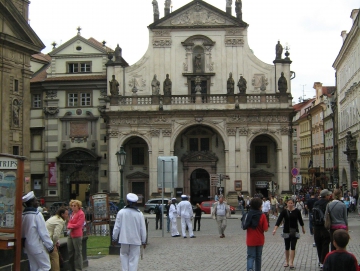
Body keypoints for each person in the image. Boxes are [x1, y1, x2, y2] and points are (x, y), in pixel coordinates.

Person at [112, 193, 147, 271]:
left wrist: (114, 238)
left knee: (124, 256)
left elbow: (116, 227)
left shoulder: (121, 212)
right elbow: (143, 229)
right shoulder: (139, 214)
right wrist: (144, 241)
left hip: (124, 239)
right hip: (136, 240)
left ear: (127, 201)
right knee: (134, 259)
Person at [22, 191, 54, 271]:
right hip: (37, 245)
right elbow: (43, 233)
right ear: (32, 202)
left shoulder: (23, 215)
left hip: (28, 246)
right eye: (36, 200)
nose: (37, 202)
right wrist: (50, 245)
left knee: (34, 267)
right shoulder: (37, 214)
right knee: (46, 267)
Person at [272, 198, 305, 269]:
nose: (290, 204)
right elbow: (279, 220)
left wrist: (303, 228)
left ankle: (291, 262)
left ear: (293, 203)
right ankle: (286, 261)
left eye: (291, 203)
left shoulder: (297, 211)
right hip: (286, 231)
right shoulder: (284, 211)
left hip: (295, 231)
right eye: (289, 203)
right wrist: (275, 229)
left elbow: (300, 220)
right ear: (287, 203)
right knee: (287, 247)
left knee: (293, 246)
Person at [243, 197, 268, 271]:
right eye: (261, 205)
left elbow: (244, 226)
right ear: (259, 206)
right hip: (259, 239)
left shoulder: (248, 215)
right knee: (258, 257)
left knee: (250, 256)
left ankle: (250, 269)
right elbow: (265, 229)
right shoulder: (262, 216)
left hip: (250, 240)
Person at [313, 189, 331, 269]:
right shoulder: (328, 204)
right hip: (324, 227)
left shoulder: (316, 203)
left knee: (319, 245)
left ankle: (320, 260)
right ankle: (323, 261)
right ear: (326, 195)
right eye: (328, 195)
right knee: (325, 244)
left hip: (316, 227)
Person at [67, 199, 85, 271]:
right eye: (72, 206)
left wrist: (70, 226)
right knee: (70, 251)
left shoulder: (81, 213)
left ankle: (78, 268)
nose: (73, 207)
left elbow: (79, 224)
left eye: (75, 206)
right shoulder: (72, 214)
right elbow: (69, 222)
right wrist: (70, 225)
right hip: (71, 234)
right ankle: (71, 268)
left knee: (78, 252)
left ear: (78, 206)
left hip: (77, 235)